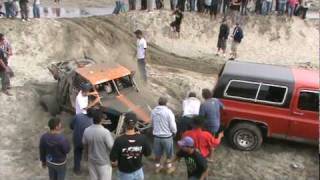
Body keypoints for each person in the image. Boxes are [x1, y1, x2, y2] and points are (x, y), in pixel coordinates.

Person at [110, 113, 152, 180]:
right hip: (138, 172)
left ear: (124, 124)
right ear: (136, 124)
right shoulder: (142, 138)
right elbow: (148, 154)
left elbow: (112, 158)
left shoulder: (119, 140)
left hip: (124, 173)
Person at [82, 109, 114, 180]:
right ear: (101, 120)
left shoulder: (86, 130)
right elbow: (111, 147)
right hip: (104, 162)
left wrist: (85, 157)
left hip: (92, 161)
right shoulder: (105, 132)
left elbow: (85, 145)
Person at [151, 96, 177, 174]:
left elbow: (152, 123)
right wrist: (174, 132)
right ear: (166, 103)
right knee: (169, 153)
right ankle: (169, 167)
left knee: (157, 154)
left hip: (157, 137)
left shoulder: (153, 111)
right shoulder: (169, 112)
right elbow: (172, 125)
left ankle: (157, 167)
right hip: (167, 137)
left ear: (158, 102)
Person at [70, 110, 93, 174]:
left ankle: (77, 169)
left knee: (77, 153)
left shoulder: (78, 116)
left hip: (77, 140)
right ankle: (91, 170)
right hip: (87, 143)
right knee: (90, 155)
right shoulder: (93, 122)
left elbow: (71, 126)